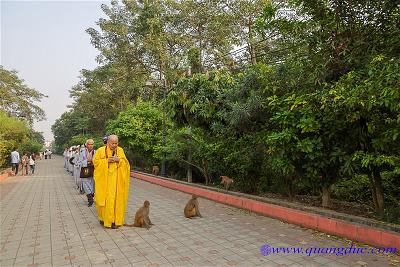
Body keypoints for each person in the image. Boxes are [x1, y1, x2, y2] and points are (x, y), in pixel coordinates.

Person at [93, 135, 130, 229]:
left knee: (115, 201)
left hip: (117, 181)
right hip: (105, 181)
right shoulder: (100, 150)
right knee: (104, 200)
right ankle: (103, 219)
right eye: (112, 143)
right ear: (108, 142)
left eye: (116, 143)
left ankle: (114, 221)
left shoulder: (120, 150)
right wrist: (106, 161)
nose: (114, 145)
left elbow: (126, 164)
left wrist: (119, 160)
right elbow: (95, 162)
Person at [78, 139, 96, 207]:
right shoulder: (82, 153)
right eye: (89, 144)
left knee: (92, 183)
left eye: (92, 144)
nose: (90, 145)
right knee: (85, 184)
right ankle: (90, 199)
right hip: (85, 169)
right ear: (86, 145)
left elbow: (97, 161)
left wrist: (92, 161)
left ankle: (91, 195)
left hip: (93, 169)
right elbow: (80, 161)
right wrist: (87, 161)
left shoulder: (96, 152)